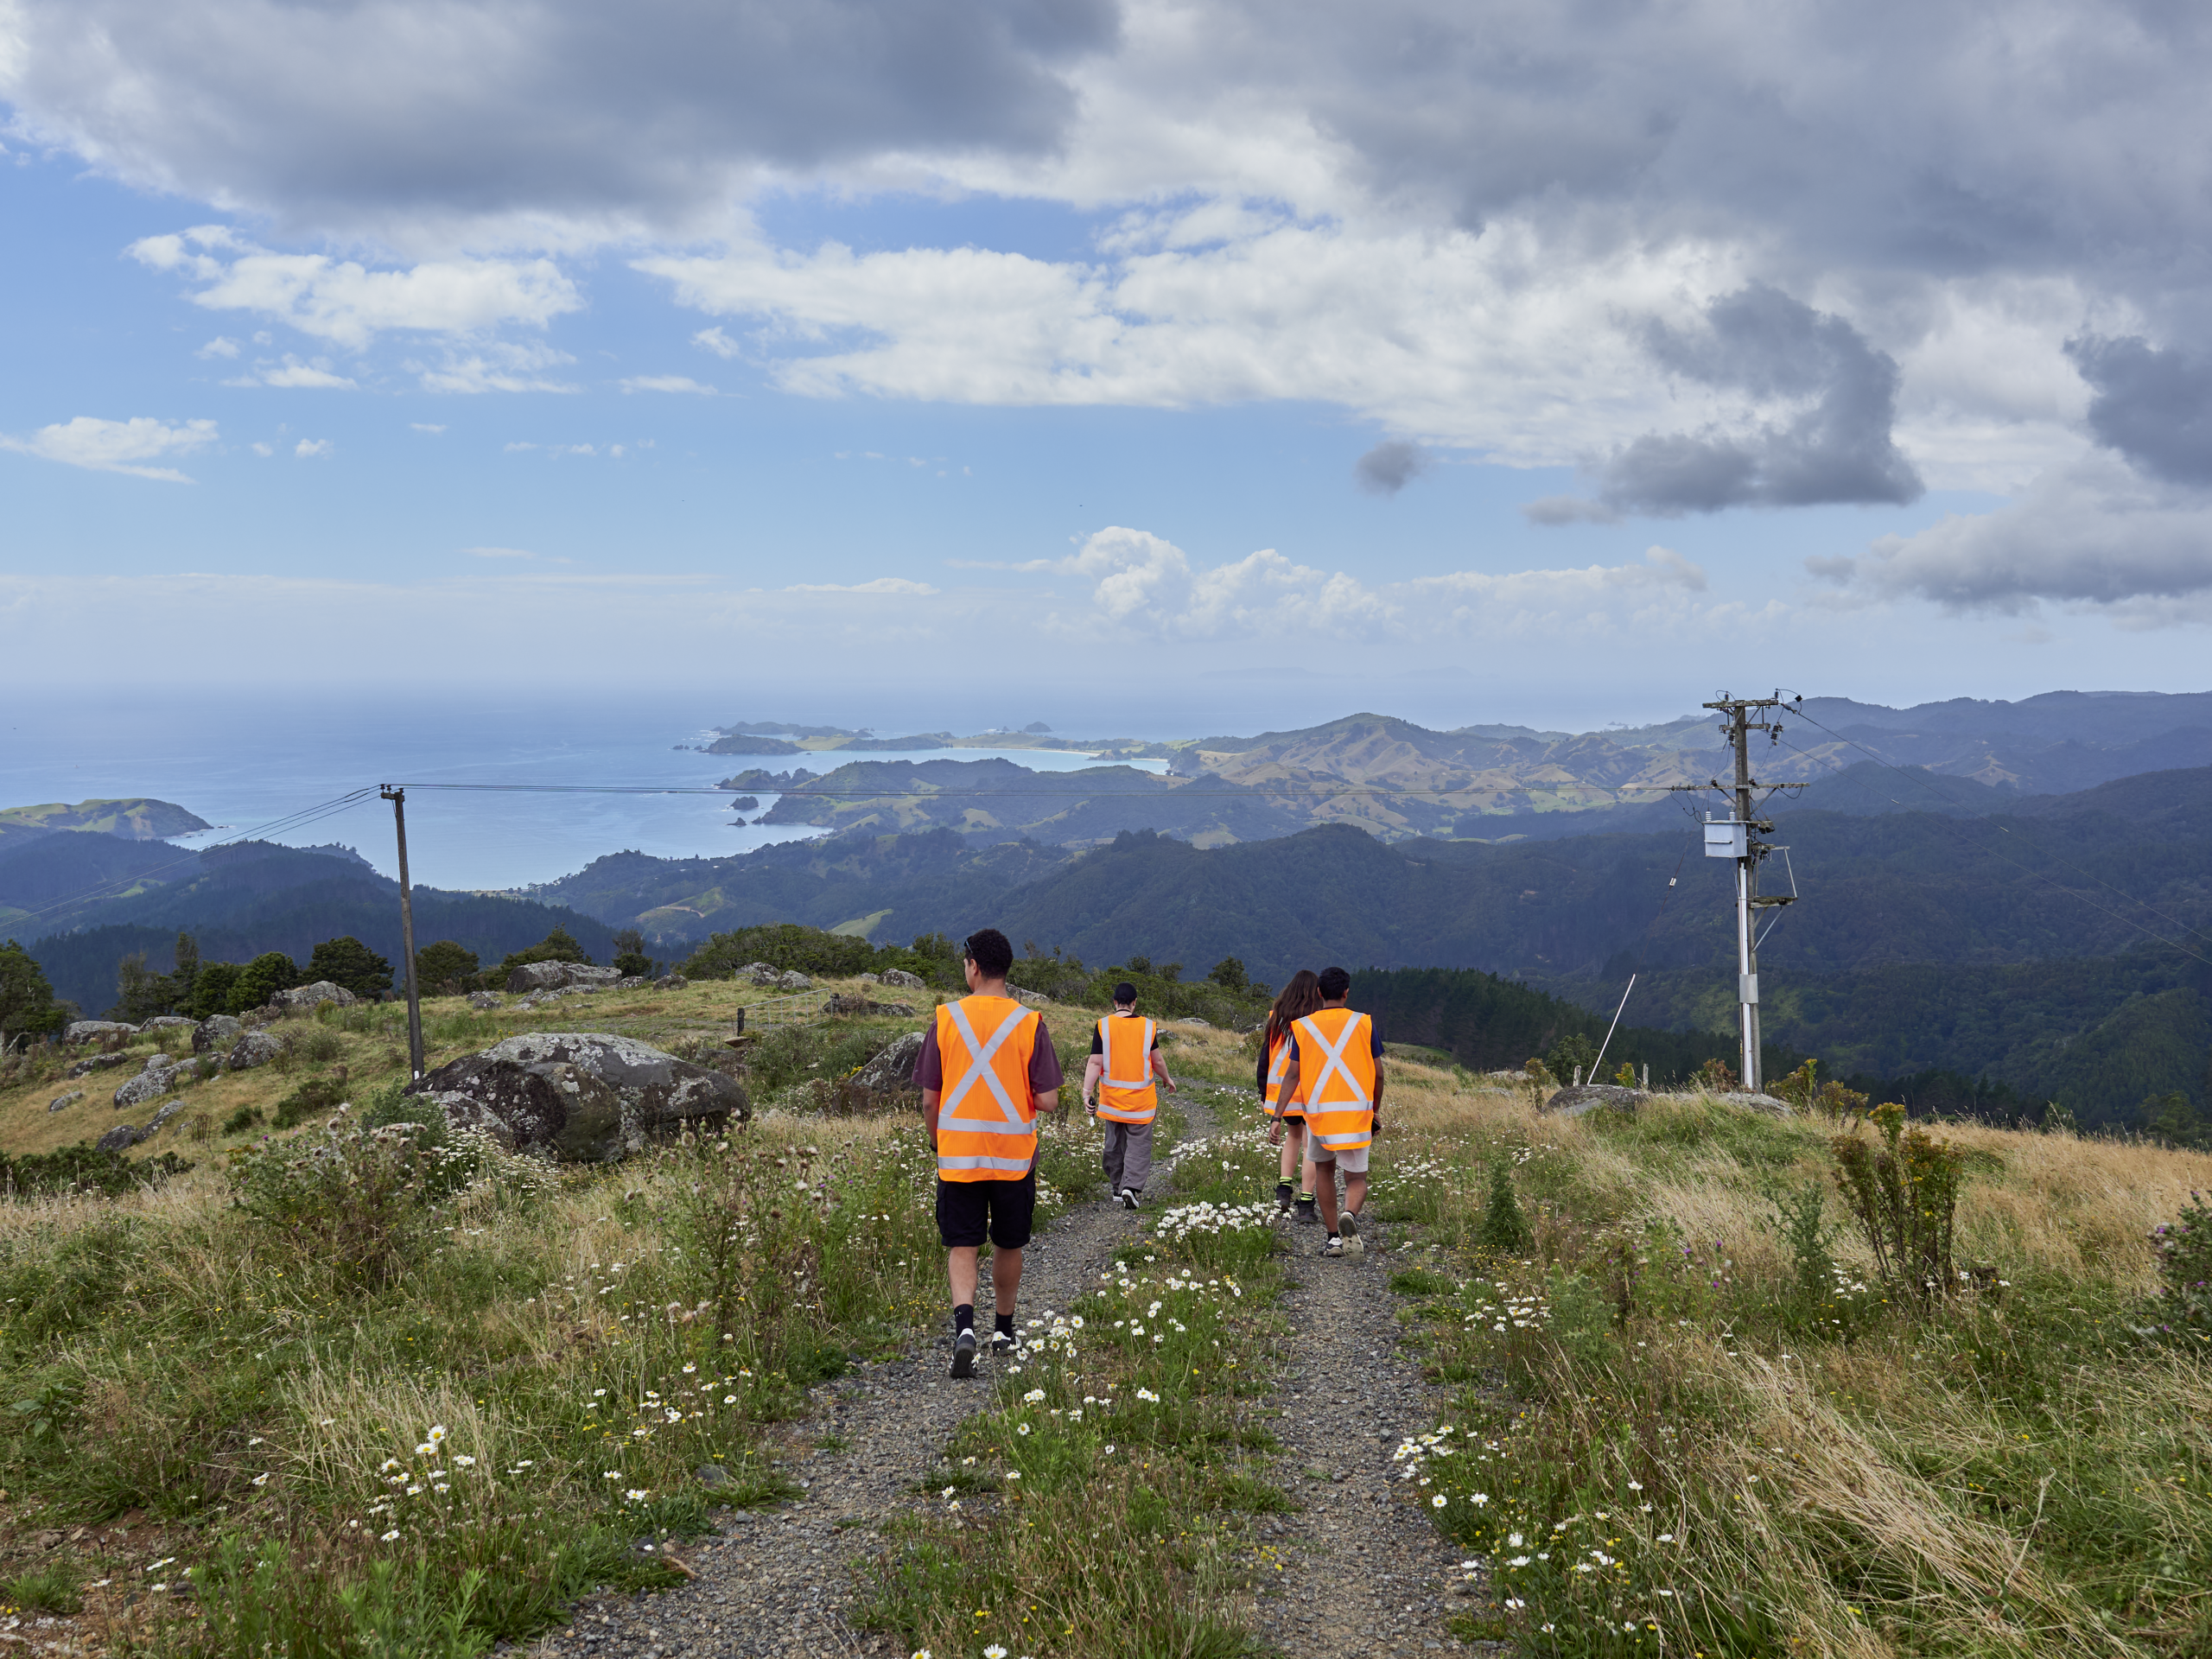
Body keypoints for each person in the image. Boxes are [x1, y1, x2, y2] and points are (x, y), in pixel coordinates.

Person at [913, 927, 1064, 1377]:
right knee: (1008, 1242)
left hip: (958, 1156)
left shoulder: (945, 1020)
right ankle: (1003, 1330)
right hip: (1013, 1159)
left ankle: (964, 1330)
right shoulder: (1029, 1022)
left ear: (973, 965)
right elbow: (1049, 1100)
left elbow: (928, 1099)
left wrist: (939, 1141)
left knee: (963, 1243)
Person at [1272, 964, 1384, 1258]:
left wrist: (1276, 1116)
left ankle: (1333, 1238)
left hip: (1320, 1115)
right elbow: (1379, 1073)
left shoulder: (1304, 1027)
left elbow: (1292, 1076)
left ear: (1319, 993)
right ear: (1347, 993)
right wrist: (1374, 1110)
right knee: (1356, 1177)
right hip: (1356, 1115)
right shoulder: (1364, 1023)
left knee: (1324, 1170)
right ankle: (1351, 1214)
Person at [1082, 981, 1177, 1210]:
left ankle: (1117, 1187)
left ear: (1115, 1002)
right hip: (1141, 1102)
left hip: (1112, 1102)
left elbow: (1095, 1062)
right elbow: (1158, 1060)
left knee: (1114, 1144)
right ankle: (1131, 1187)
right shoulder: (1147, 1027)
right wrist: (1167, 1078)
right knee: (1138, 1145)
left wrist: (1086, 1093)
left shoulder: (1103, 1025)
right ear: (1134, 1003)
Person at [1259, 969, 1324, 1223]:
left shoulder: (1276, 1018)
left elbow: (1265, 1058)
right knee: (1310, 1144)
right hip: (1310, 1091)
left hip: (1282, 1094)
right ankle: (1306, 1203)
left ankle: (1283, 1190)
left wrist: (1263, 1091)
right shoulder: (1315, 1020)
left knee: (1292, 1137)